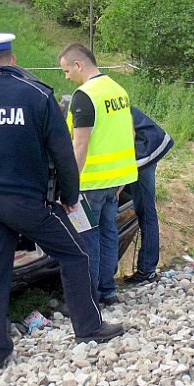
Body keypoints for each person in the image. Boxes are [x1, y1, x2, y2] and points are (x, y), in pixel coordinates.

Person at [0, 33, 124, 370]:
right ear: (13, 60)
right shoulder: (38, 95)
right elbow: (63, 153)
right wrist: (69, 197)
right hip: (29, 204)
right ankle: (88, 327)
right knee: (75, 255)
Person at [58, 43, 138, 305]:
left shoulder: (85, 96)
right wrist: (122, 178)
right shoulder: (118, 90)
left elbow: (80, 144)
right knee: (108, 233)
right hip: (115, 180)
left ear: (78, 65)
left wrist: (69, 185)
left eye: (67, 70)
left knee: (86, 238)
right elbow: (129, 134)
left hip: (89, 182)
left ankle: (87, 299)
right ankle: (108, 291)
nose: (67, 76)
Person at [124, 107, 173, 283]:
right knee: (145, 210)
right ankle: (147, 268)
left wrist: (118, 188)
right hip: (144, 145)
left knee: (146, 211)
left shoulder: (87, 108)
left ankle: (147, 270)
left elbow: (126, 148)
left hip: (144, 150)